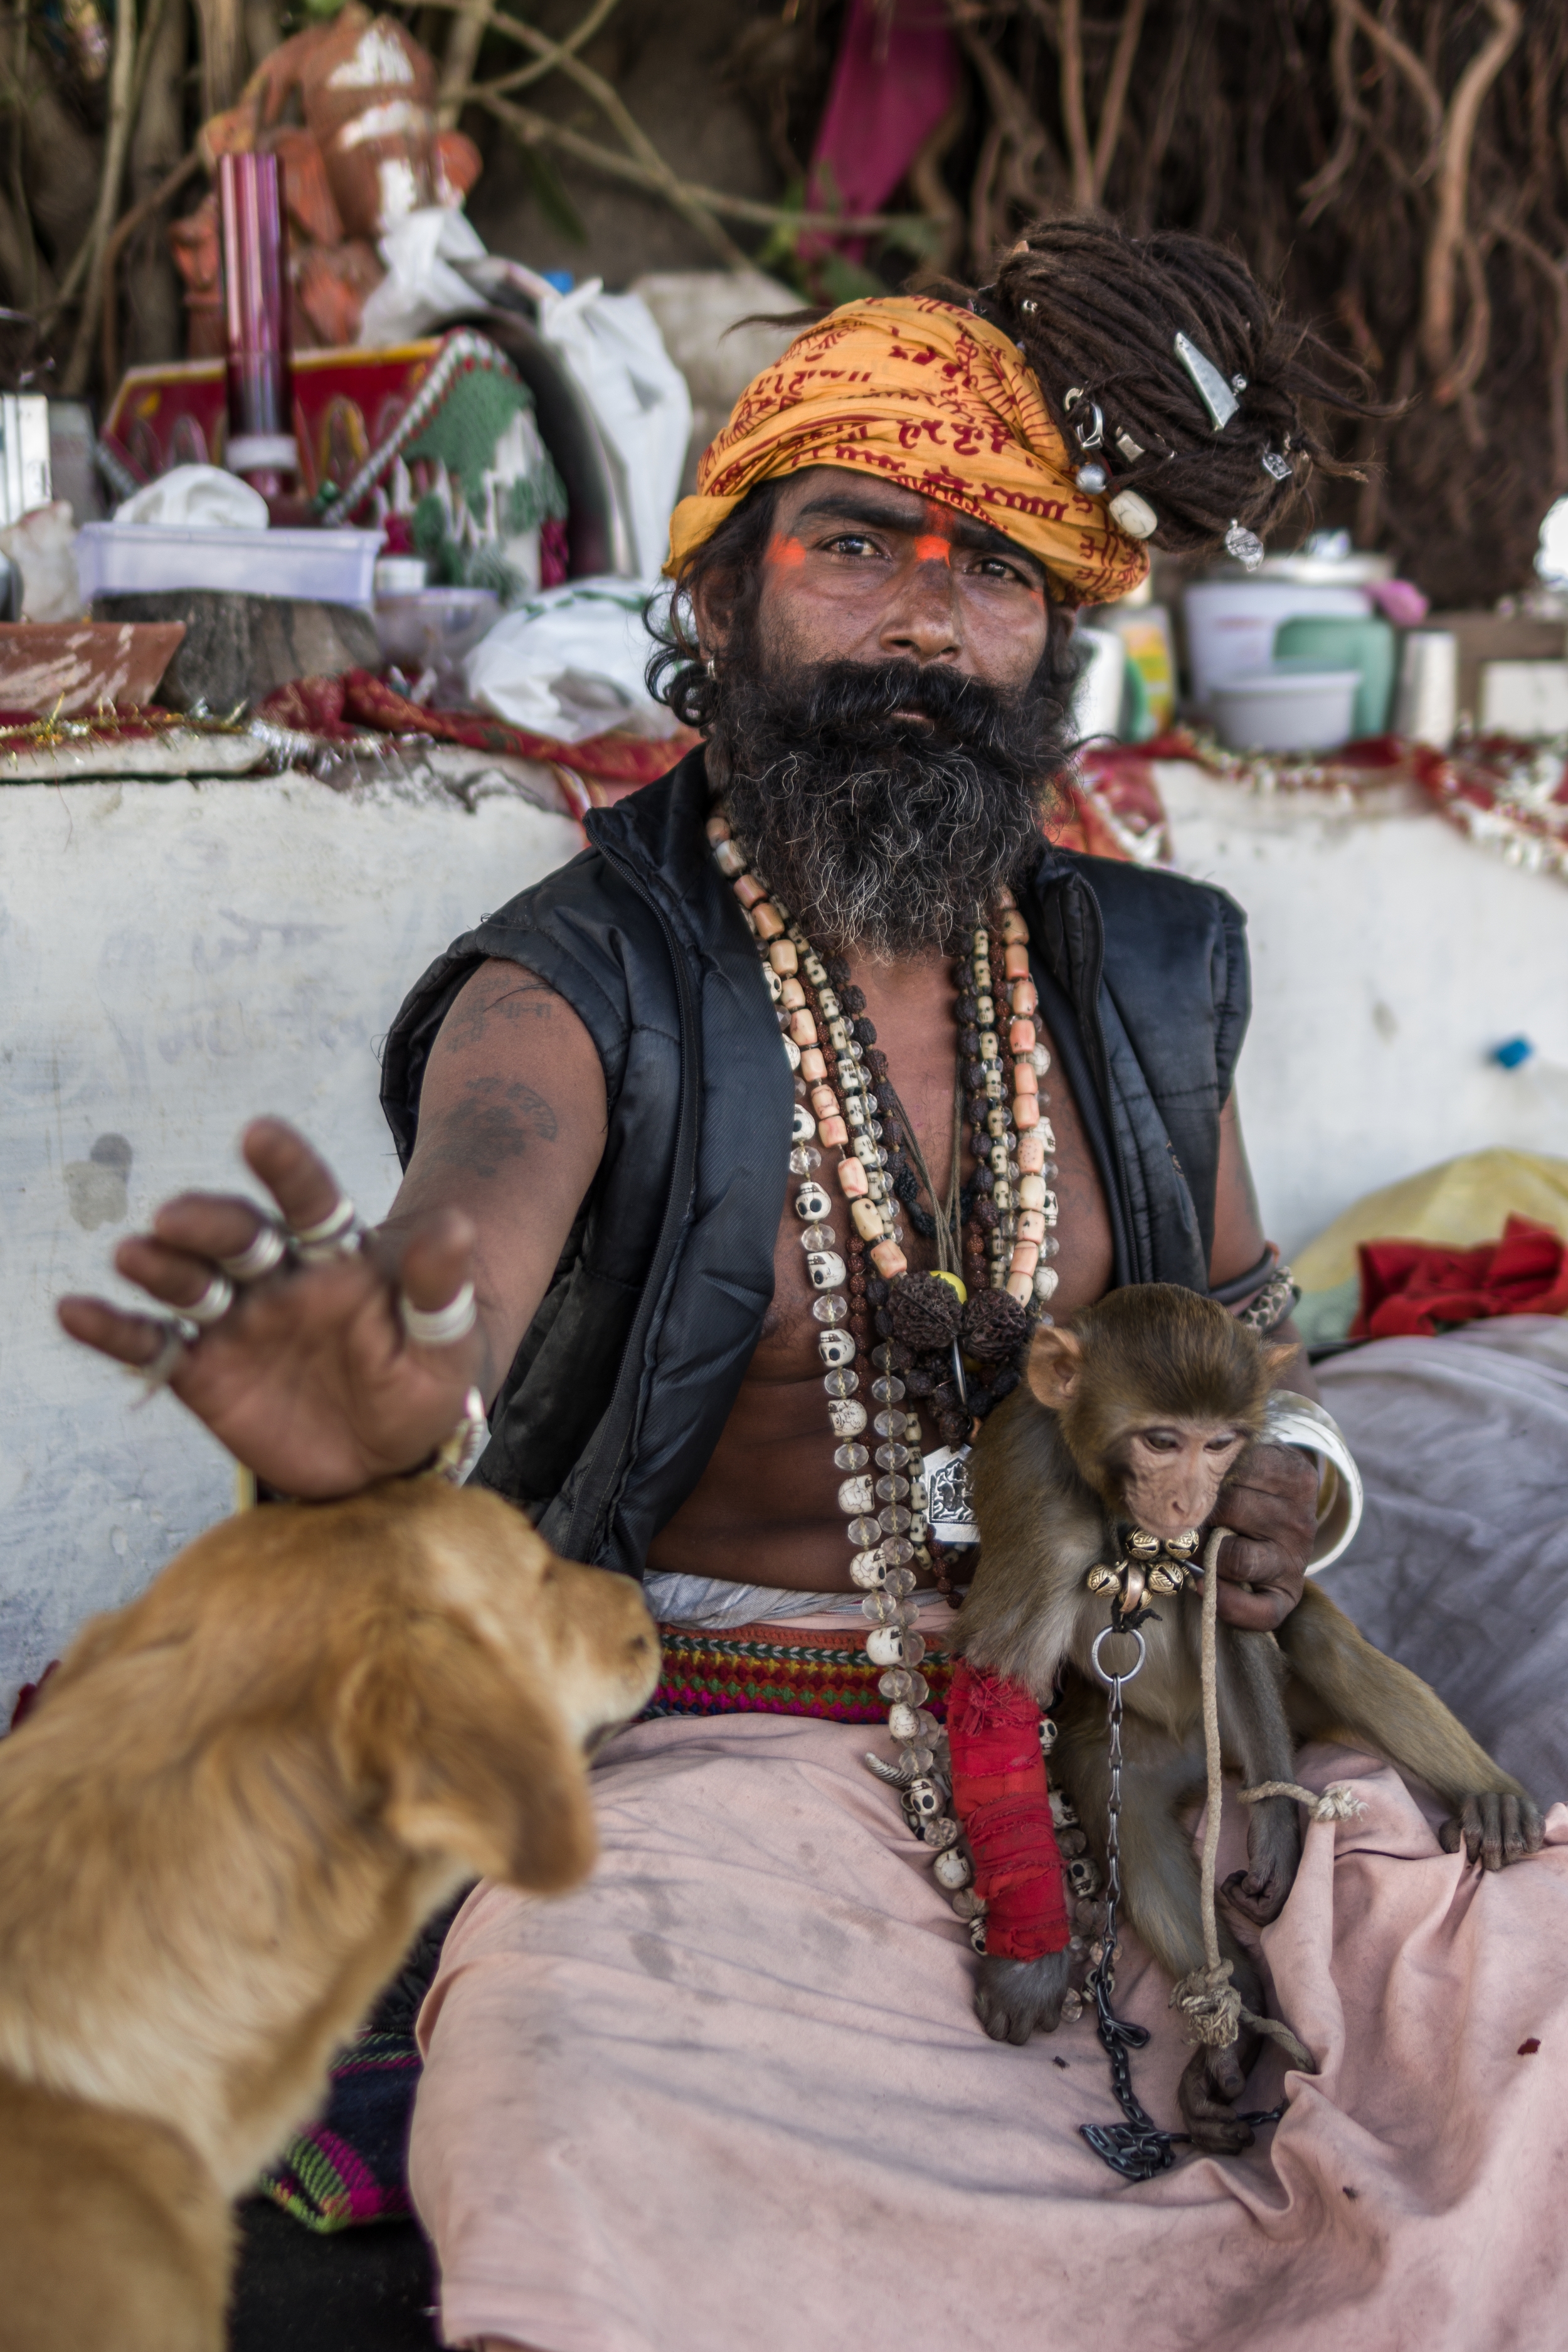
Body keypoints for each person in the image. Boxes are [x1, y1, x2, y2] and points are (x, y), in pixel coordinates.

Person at [61, 226, 1555, 2351]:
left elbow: (1256, 1341)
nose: (925, 627)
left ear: (1053, 642)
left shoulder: (1146, 969)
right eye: (856, 547)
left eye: (992, 574)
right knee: (591, 2145)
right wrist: (401, 1385)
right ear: (719, 597)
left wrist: (1284, 1486)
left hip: (1150, 1730)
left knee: (1508, 2059)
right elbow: (473, 1209)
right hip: (731, 1782)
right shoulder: (573, 982)